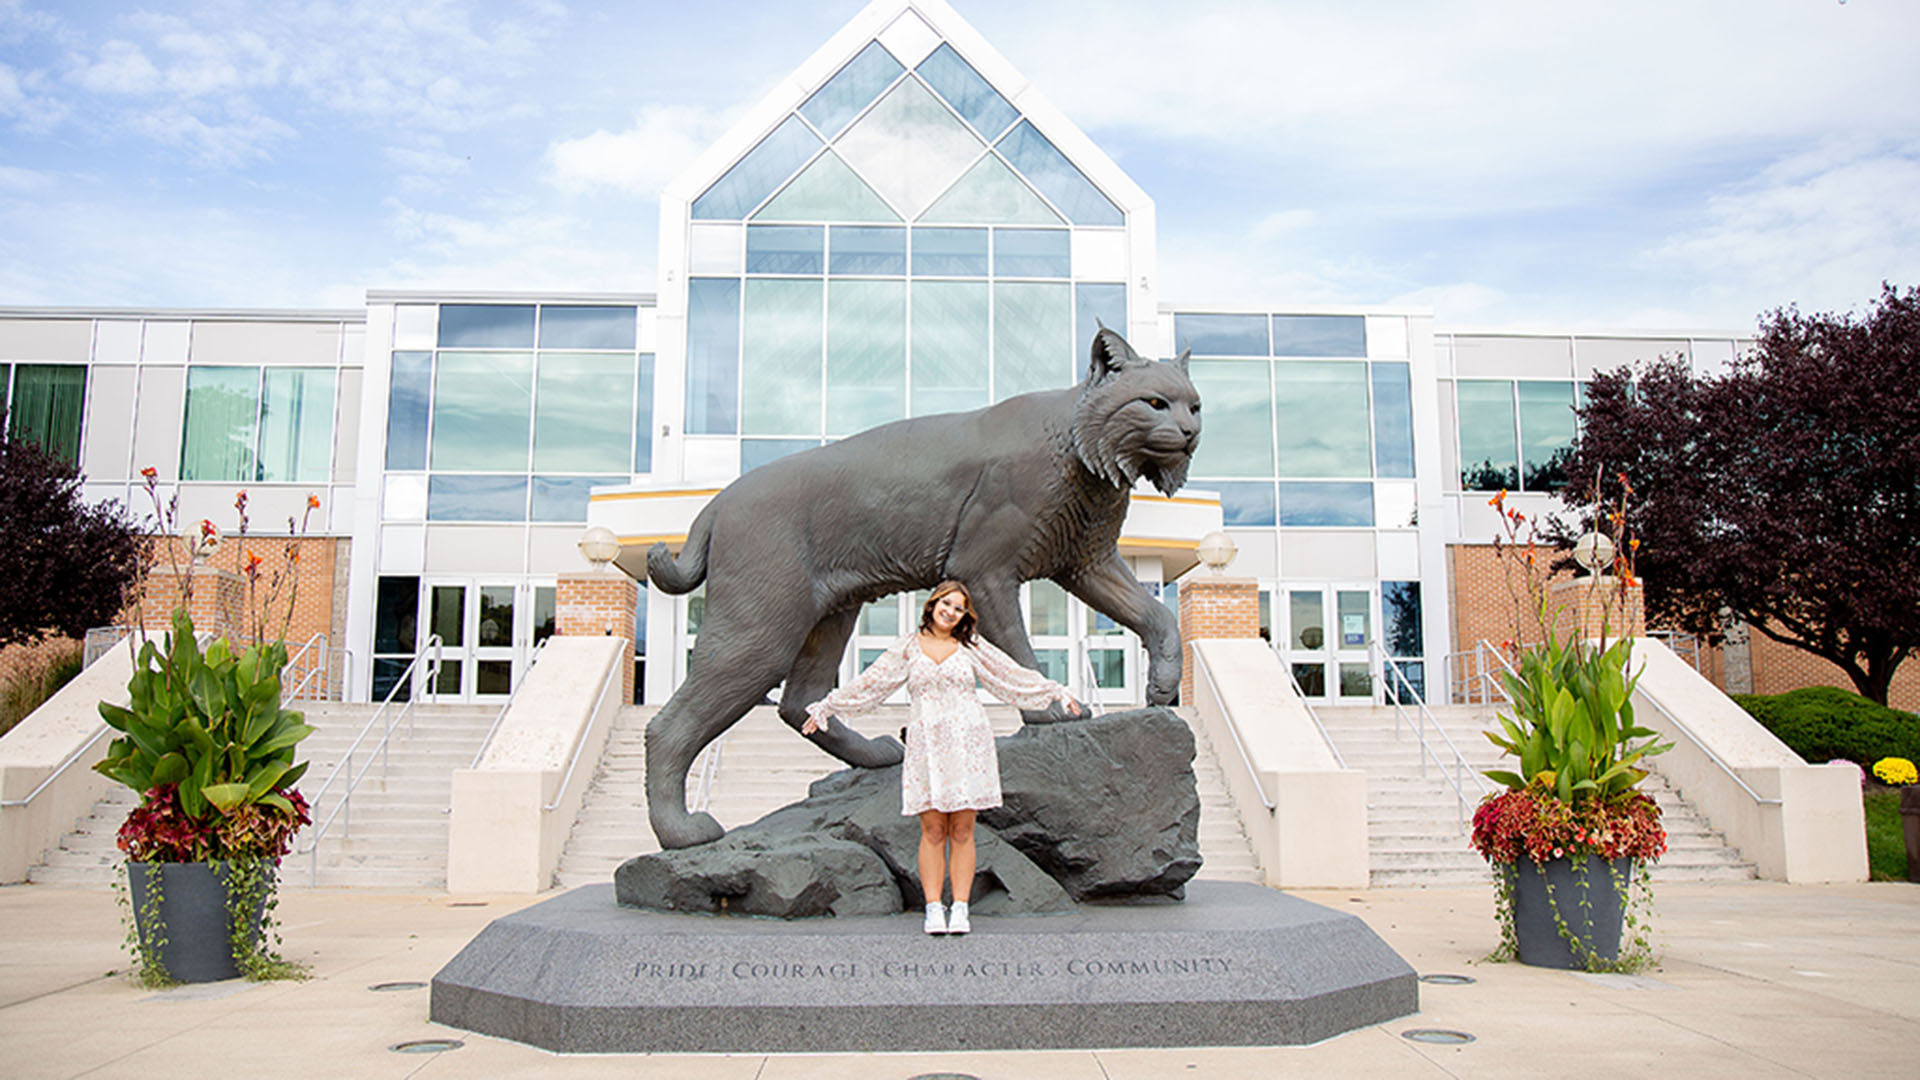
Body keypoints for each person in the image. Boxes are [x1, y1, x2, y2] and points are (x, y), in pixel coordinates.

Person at [803, 580, 1080, 935]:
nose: (950, 612)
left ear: (965, 614)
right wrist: (829, 705)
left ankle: (960, 908)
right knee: (932, 829)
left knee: (963, 829)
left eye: (958, 607)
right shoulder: (909, 646)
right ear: (932, 604)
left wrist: (1054, 690)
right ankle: (934, 908)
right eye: (946, 604)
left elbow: (1010, 674)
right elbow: (873, 681)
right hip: (928, 745)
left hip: (968, 742)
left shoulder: (970, 646)